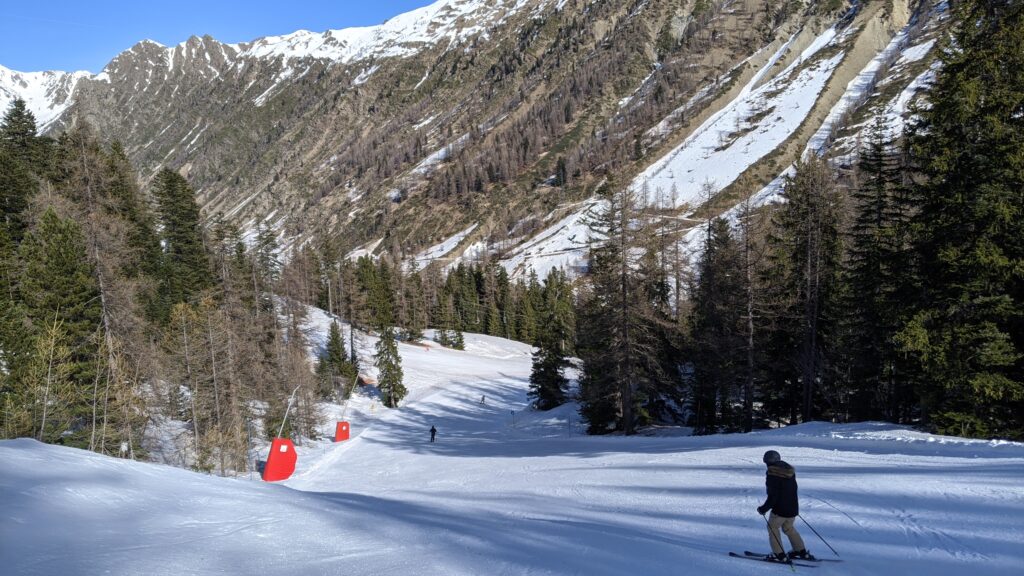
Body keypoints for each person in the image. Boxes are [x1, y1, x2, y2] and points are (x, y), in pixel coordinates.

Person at [757, 450, 814, 562]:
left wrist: (763, 508)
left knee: (772, 528)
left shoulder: (773, 474)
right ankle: (800, 551)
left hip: (780, 510)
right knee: (788, 528)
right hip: (792, 508)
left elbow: (773, 496)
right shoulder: (789, 471)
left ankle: (779, 554)